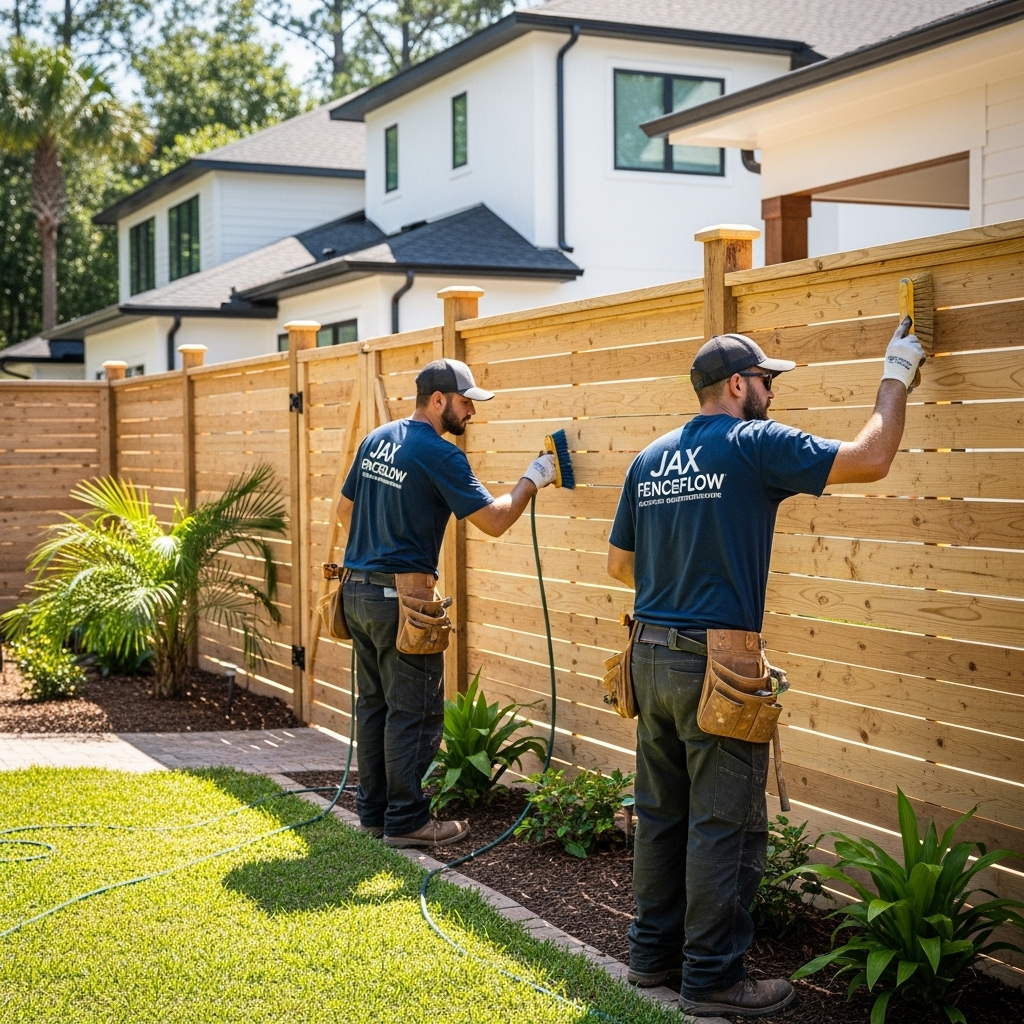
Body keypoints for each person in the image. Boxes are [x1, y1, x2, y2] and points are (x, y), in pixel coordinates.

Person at [606, 327, 926, 1017]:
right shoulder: (755, 443)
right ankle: (714, 980)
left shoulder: (650, 457)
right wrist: (896, 375)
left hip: (648, 656)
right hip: (715, 666)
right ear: (735, 386)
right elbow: (870, 459)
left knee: (662, 816)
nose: (772, 392)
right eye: (765, 380)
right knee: (726, 825)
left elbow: (619, 567)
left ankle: (650, 959)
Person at [335, 357, 556, 849]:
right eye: (464, 403)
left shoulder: (376, 439)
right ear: (438, 401)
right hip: (403, 601)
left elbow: (345, 509)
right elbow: (495, 521)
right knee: (414, 712)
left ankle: (373, 814)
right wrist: (533, 478)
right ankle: (408, 821)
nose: (470, 413)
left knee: (375, 706)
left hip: (357, 592)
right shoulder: (440, 454)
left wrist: (379, 551)